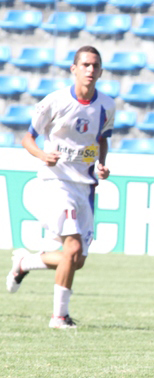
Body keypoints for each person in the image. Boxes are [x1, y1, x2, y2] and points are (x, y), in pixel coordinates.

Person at [5, 45, 115, 329]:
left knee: (76, 259)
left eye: (95, 66)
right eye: (86, 65)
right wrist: (43, 155)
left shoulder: (107, 105)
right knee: (73, 246)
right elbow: (28, 138)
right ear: (74, 69)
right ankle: (59, 317)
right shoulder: (53, 102)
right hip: (56, 182)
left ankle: (25, 263)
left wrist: (102, 164)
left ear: (100, 72)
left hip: (85, 187)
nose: (91, 70)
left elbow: (101, 139)